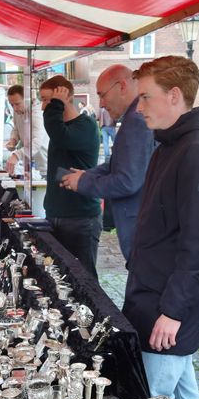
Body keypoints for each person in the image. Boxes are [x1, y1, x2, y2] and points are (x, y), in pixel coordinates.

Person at [122, 56, 199, 399]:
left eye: (145, 97)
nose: (138, 108)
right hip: (153, 293)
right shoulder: (171, 143)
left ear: (173, 95)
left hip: (166, 305)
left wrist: (172, 311)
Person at [59, 64, 155, 261]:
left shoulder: (136, 120)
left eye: (103, 95)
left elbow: (127, 181)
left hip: (141, 228)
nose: (101, 103)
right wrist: (86, 176)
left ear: (121, 86)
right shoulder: (131, 119)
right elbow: (117, 165)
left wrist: (84, 182)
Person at [41, 75, 101, 277]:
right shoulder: (59, 129)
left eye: (47, 100)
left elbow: (59, 135)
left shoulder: (85, 125)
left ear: (64, 98)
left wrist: (56, 104)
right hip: (56, 214)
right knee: (59, 274)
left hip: (80, 218)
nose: (44, 108)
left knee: (85, 277)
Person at [5, 84, 48, 176]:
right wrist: (13, 140)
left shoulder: (37, 114)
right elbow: (16, 128)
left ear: (27, 99)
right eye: (11, 104)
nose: (14, 108)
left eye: (17, 104)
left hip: (43, 165)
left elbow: (37, 142)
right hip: (29, 164)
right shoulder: (18, 111)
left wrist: (17, 155)